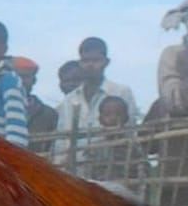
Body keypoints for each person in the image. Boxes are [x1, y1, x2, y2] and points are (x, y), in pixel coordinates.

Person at [52, 37, 138, 170]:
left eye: (96, 60)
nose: (90, 65)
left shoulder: (121, 92)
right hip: (75, 172)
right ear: (80, 63)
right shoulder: (69, 100)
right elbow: (61, 142)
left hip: (111, 169)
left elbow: (130, 131)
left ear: (106, 62)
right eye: (86, 60)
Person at [11, 56, 57, 150]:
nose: (20, 81)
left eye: (25, 77)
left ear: (34, 81)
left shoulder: (49, 114)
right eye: (16, 77)